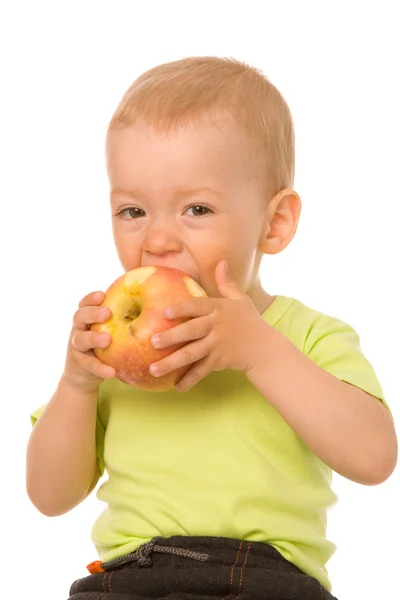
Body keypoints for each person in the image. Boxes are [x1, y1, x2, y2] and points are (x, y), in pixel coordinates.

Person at [26, 56, 397, 600]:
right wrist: (77, 385)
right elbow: (48, 495)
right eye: (132, 211)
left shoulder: (307, 336)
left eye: (196, 208)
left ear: (274, 224)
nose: (157, 241)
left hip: (267, 581)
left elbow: (374, 458)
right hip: (132, 579)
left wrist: (261, 354)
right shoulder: (111, 350)